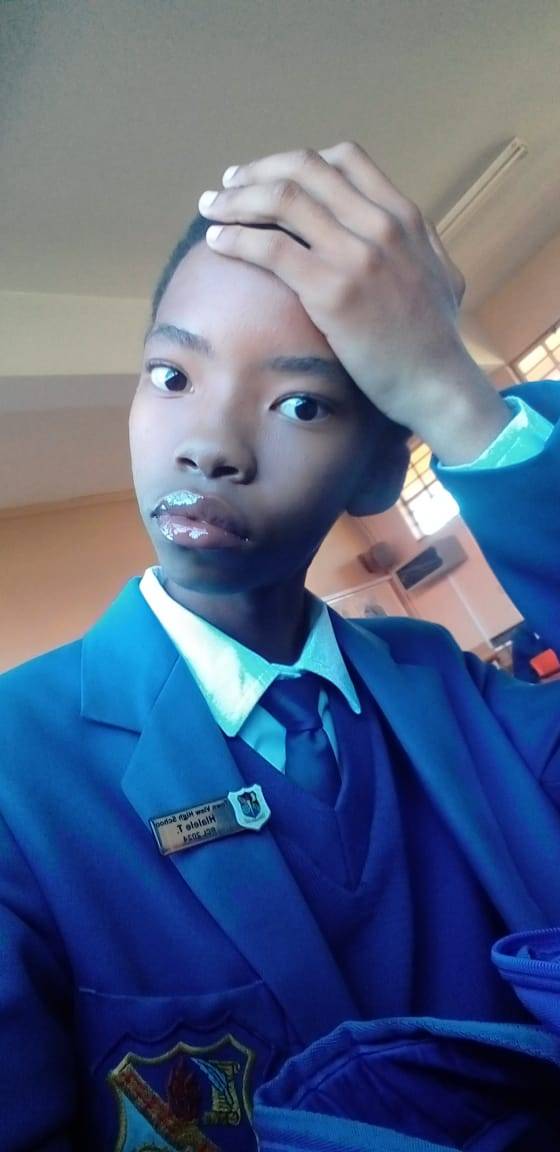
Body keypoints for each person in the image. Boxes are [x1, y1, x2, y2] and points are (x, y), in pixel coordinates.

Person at [1, 141, 560, 1152]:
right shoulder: (15, 770)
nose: (209, 443)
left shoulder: (457, 692)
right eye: (172, 374)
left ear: (379, 472)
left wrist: (456, 397)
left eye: (301, 404)